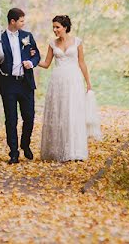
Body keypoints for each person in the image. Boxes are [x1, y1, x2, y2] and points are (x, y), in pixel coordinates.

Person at [37, 14, 99, 162]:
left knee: (73, 113)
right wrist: (32, 59)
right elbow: (46, 64)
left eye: (57, 27)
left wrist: (88, 82)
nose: (55, 30)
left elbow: (82, 63)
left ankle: (75, 151)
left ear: (65, 27)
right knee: (59, 113)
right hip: (57, 82)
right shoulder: (52, 44)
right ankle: (56, 151)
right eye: (53, 27)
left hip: (74, 81)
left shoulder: (77, 42)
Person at [0, 7, 42, 164]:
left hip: (26, 83)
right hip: (8, 83)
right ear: (13, 21)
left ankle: (25, 144)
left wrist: (31, 62)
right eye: (21, 20)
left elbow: (36, 54)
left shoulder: (27, 36)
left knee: (29, 117)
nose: (24, 23)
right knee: (11, 120)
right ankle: (14, 152)